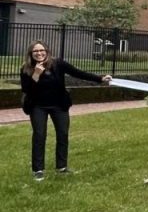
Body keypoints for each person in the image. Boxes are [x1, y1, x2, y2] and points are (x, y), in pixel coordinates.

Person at [20, 40, 112, 180]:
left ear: (47, 51)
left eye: (41, 50)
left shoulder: (58, 64)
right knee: (39, 136)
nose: (39, 53)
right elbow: (27, 90)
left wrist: (100, 78)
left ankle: (61, 167)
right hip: (38, 106)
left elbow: (78, 73)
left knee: (62, 134)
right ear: (31, 54)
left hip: (59, 105)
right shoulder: (26, 69)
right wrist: (36, 74)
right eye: (35, 51)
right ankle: (38, 170)